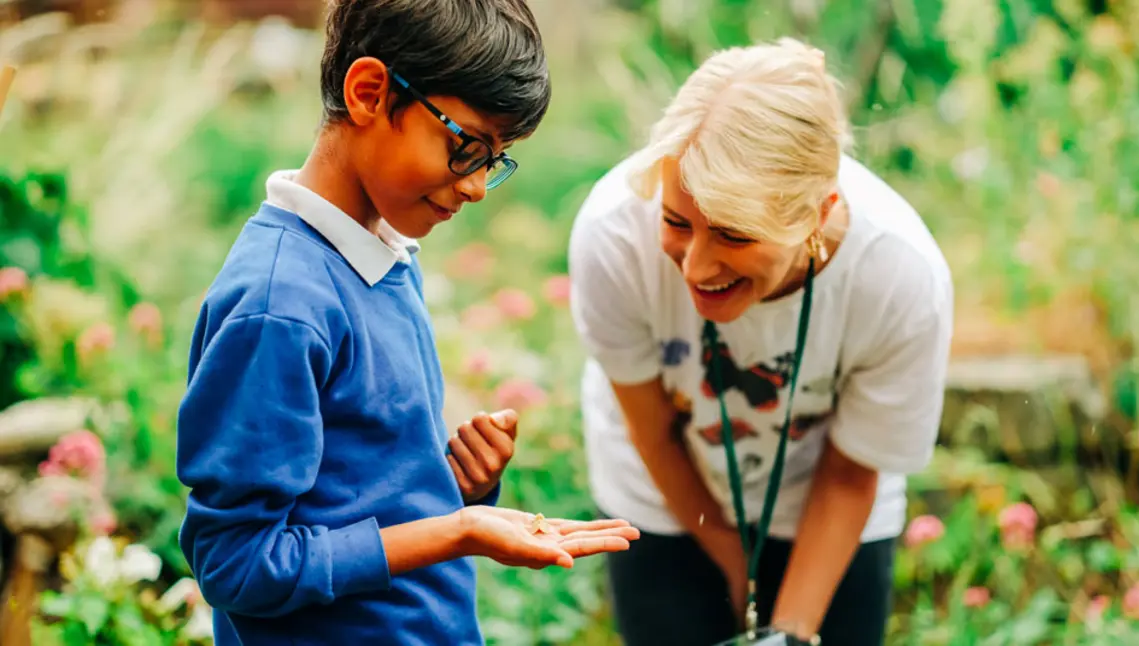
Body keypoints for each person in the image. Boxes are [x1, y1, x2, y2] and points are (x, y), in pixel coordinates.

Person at [175, 2, 639, 645]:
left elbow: (355, 504)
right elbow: (237, 565)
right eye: (466, 147)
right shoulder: (280, 305)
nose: (476, 186)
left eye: (494, 160)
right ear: (369, 93)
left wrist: (454, 488)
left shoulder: (383, 258)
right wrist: (457, 530)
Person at [568, 38, 954, 646]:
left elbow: (852, 474)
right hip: (664, 490)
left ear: (816, 213)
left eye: (733, 233)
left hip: (828, 500)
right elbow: (653, 428)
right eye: (676, 223)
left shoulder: (901, 276)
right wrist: (730, 559)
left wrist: (790, 632)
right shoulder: (612, 235)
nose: (695, 268)